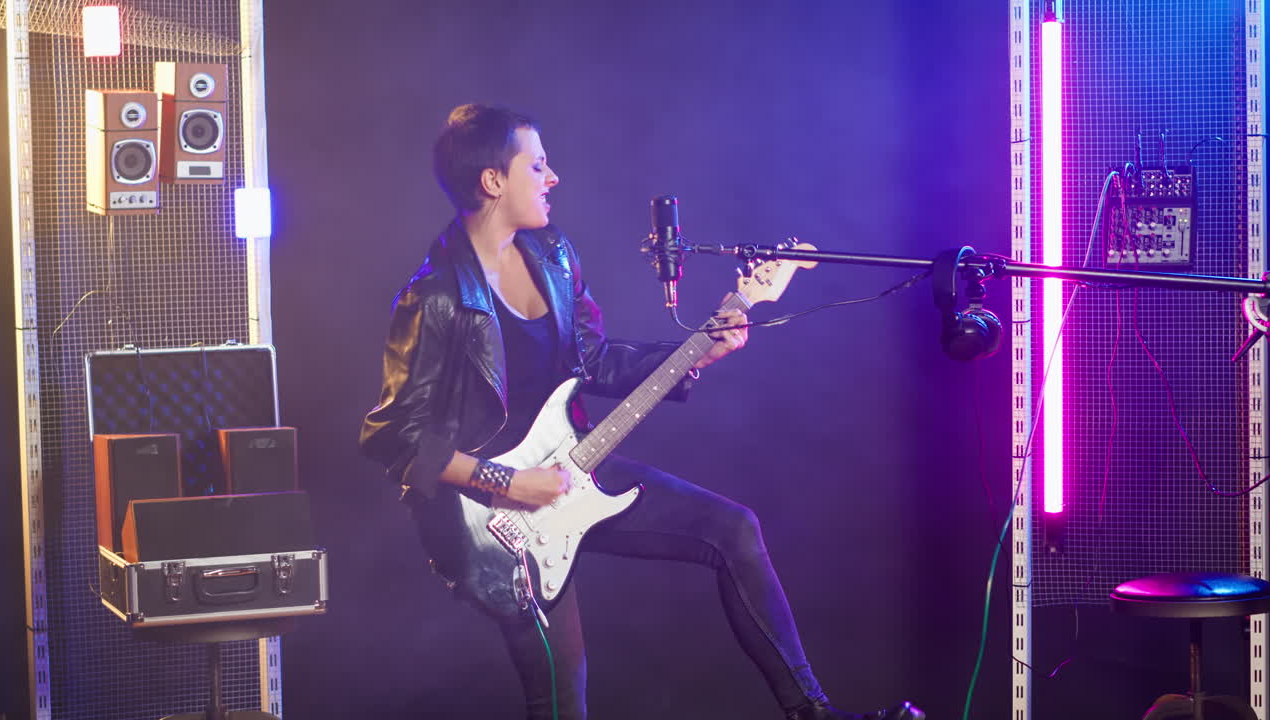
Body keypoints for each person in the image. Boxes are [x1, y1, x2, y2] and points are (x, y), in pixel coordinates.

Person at [359, 103, 924, 720]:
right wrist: (513, 482)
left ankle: (811, 713)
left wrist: (699, 351)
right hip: (493, 524)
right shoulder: (435, 295)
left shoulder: (553, 255)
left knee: (733, 529)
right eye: (538, 165)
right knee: (562, 699)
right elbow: (395, 438)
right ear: (492, 181)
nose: (554, 179)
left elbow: (595, 361)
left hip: (572, 468)